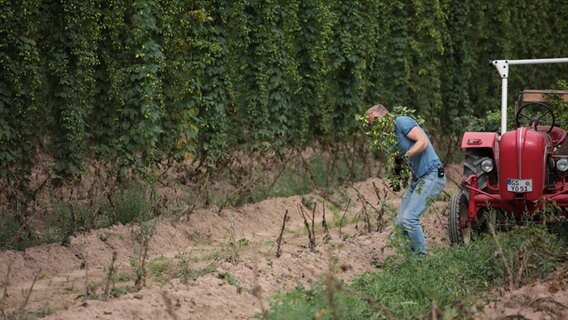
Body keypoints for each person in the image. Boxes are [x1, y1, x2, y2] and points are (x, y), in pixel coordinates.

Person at [366, 104, 446, 256]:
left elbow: (422, 142)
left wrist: (403, 157)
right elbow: (400, 162)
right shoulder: (387, 139)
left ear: (385, 115)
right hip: (417, 179)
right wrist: (397, 173)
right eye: (372, 124)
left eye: (376, 120)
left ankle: (421, 260)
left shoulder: (401, 121)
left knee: (409, 218)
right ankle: (411, 260)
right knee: (400, 223)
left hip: (432, 173)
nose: (375, 126)